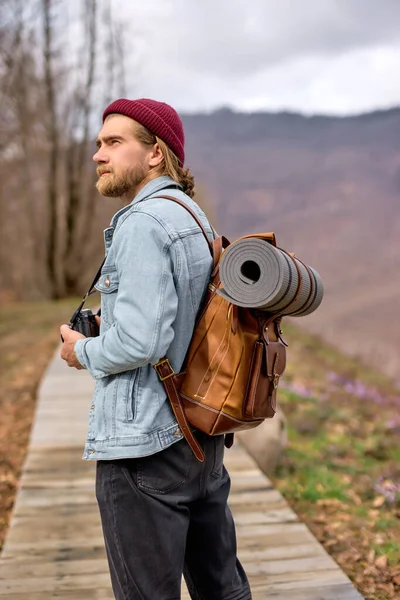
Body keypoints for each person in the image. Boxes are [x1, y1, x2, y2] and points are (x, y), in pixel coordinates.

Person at [60, 98, 252, 600]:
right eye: (99, 143)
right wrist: (115, 319)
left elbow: (142, 341)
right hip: (200, 438)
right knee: (223, 590)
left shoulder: (143, 224)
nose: (98, 154)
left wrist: (82, 350)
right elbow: (181, 315)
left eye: (114, 142)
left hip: (145, 447)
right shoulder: (194, 217)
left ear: (154, 154)